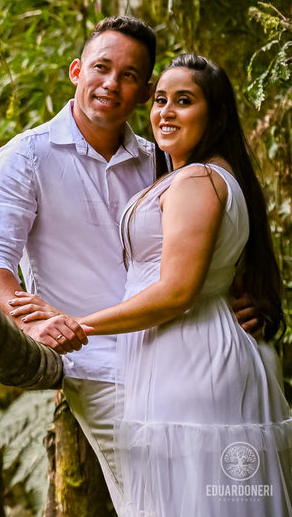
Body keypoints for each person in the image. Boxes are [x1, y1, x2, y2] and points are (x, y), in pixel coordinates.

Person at [72, 54, 291, 516]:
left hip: (192, 367)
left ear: (214, 114)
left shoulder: (197, 180)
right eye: (159, 100)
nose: (165, 112)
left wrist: (78, 325)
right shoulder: (200, 176)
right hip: (181, 361)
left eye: (184, 101)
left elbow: (176, 291)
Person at [0, 15, 162, 510]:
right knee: (153, 498)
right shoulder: (25, 157)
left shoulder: (161, 161)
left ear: (144, 93)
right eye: (102, 67)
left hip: (176, 350)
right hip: (97, 364)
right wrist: (26, 320)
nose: (111, 84)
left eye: (129, 75)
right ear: (76, 71)